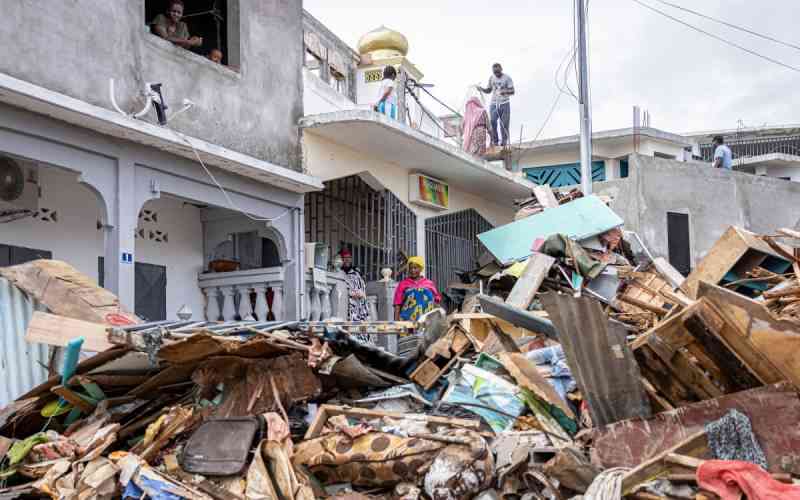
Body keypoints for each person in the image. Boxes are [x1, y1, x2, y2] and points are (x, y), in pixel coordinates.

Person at [477, 63, 515, 147]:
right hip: (494, 103)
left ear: (501, 69)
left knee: (504, 124)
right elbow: (489, 90)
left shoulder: (507, 78)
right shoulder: (492, 78)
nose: (497, 74)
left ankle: (504, 142)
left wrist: (504, 92)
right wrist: (482, 89)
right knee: (492, 121)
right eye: (495, 72)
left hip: (504, 103)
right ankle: (495, 141)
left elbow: (512, 91)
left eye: (498, 72)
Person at [393, 256, 441, 321]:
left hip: (426, 320)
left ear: (421, 269)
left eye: (415, 268)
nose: (413, 270)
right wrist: (396, 322)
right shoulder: (403, 284)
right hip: (407, 320)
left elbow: (436, 302)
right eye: (411, 268)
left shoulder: (429, 283)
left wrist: (438, 319)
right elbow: (397, 304)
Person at [340, 249, 370, 322]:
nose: (347, 260)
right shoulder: (339, 272)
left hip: (358, 304)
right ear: (341, 260)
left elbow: (362, 285)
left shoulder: (356, 272)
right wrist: (349, 293)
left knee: (359, 325)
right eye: (345, 258)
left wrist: (360, 292)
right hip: (345, 303)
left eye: (349, 258)